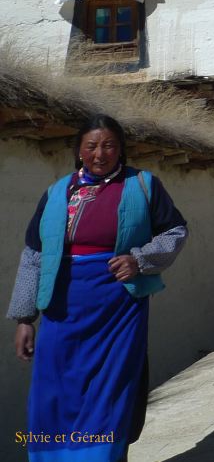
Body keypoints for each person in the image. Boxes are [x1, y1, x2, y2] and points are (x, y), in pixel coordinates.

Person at [8, 114, 188, 458]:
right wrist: (24, 319)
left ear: (121, 150)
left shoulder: (143, 185)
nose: (100, 154)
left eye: (109, 146)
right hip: (61, 308)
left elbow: (175, 231)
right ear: (79, 150)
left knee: (110, 390)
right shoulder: (56, 193)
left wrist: (139, 260)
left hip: (118, 309)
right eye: (91, 146)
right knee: (53, 391)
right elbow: (34, 255)